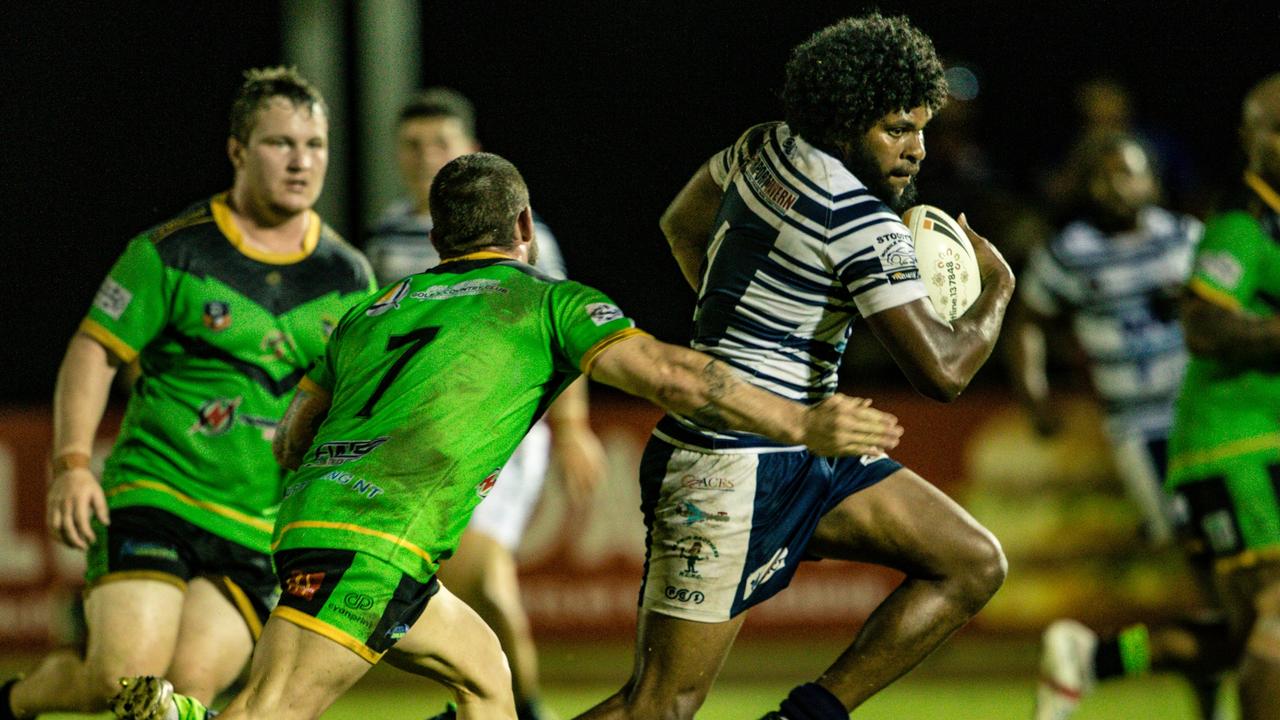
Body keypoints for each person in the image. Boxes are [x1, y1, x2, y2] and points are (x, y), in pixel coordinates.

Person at [107, 151, 905, 720]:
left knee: (488, 679)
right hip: (378, 538)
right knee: (270, 709)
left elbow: (293, 433)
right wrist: (803, 420)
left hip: (324, 523)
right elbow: (673, 377)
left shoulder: (374, 306)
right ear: (523, 223)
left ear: (437, 232)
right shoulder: (542, 299)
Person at [574, 14, 1015, 720]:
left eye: (923, 128)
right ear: (845, 121)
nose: (916, 151)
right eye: (896, 129)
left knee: (971, 560)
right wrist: (998, 291)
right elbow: (945, 373)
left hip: (803, 446)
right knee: (657, 707)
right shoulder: (860, 221)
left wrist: (741, 334)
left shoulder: (764, 147)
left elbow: (682, 224)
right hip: (730, 465)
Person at [0, 66, 375, 720]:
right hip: (157, 495)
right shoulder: (172, 253)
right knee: (121, 685)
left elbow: (359, 404)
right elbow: (93, 351)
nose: (301, 161)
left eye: (314, 145)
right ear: (237, 151)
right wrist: (72, 464)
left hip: (260, 528)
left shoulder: (348, 278)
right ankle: (18, 700)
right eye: (279, 143)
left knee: (183, 698)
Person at [366, 88, 605, 720]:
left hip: (507, 434)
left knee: (483, 576)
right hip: (425, 439)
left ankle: (509, 703)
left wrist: (574, 428)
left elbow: (561, 327)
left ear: (469, 150)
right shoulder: (386, 238)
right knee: (482, 587)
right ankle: (511, 705)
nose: (425, 158)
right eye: (412, 146)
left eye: (439, 144)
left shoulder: (526, 237)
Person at [1009, 133, 1236, 720]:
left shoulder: (1185, 239)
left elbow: (1226, 312)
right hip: (1143, 431)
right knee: (1222, 576)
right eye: (1103, 177)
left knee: (1229, 592)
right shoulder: (1071, 252)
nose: (1117, 187)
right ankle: (1098, 660)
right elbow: (1029, 318)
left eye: (1129, 174)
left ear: (1153, 182)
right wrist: (1035, 395)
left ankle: (1126, 671)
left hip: (1209, 421)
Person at [1163, 72, 1280, 720]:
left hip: (1263, 437)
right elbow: (1203, 323)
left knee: (1244, 632)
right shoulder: (1244, 217)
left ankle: (1093, 659)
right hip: (1232, 442)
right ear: (1251, 139)